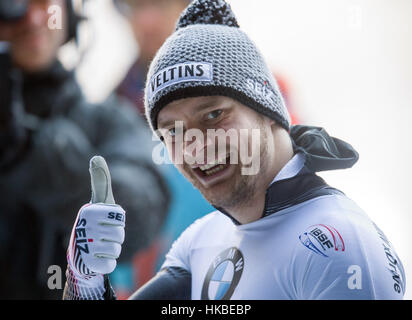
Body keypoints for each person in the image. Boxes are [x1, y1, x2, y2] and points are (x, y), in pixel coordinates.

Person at [63, 0, 406, 300]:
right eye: (173, 131)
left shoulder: (339, 247)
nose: (195, 146)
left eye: (213, 115)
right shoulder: (200, 240)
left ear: (266, 109)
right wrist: (86, 279)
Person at [0, 0, 169, 299]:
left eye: (44, 2)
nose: (33, 17)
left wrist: (26, 150)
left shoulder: (104, 121)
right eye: (12, 5)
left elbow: (141, 215)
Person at [112, 0, 214, 296]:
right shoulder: (103, 116)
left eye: (158, 4)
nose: (146, 22)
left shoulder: (264, 92)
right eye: (135, 7)